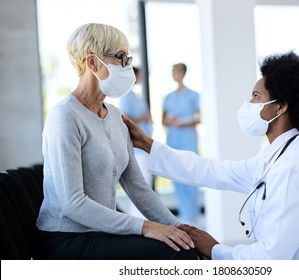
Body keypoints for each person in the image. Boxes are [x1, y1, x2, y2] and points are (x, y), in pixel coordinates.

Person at [123, 51, 299, 260]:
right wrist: (148, 144)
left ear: (280, 106)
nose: (248, 103)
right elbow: (214, 171)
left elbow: (271, 257)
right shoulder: (277, 155)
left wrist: (215, 249)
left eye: (256, 97)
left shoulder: (293, 167)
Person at [35, 23, 196, 260]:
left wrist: (180, 229)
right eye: (120, 57)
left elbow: (138, 187)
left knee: (185, 246)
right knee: (176, 255)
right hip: (66, 239)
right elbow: (72, 203)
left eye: (128, 59)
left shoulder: (114, 116)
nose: (127, 66)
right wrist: (147, 227)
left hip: (102, 233)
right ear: (92, 63)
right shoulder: (65, 117)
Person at [162, 63, 201, 225]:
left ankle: (193, 215)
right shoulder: (168, 97)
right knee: (176, 176)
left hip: (188, 139)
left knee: (190, 174)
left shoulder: (193, 95)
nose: (174, 74)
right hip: (173, 140)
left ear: (182, 73)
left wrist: (182, 122)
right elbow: (163, 119)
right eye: (172, 71)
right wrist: (171, 121)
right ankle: (184, 216)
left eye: (176, 71)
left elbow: (198, 118)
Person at [119, 66, 154, 218]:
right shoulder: (126, 96)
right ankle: (140, 218)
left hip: (145, 147)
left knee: (146, 184)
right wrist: (145, 118)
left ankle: (145, 217)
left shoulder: (136, 95)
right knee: (141, 185)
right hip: (137, 148)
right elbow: (126, 119)